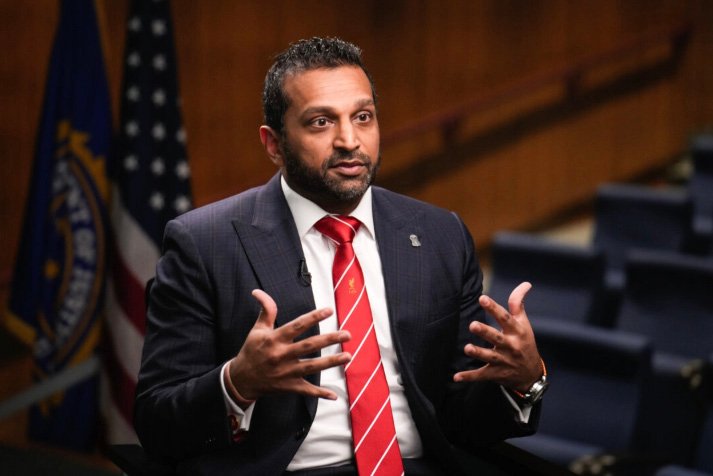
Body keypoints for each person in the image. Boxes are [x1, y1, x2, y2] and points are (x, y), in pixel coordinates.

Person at [134, 37, 546, 476]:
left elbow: (465, 419)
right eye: (320, 122)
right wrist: (237, 383)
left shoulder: (440, 234)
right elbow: (157, 423)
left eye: (363, 117)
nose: (349, 141)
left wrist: (524, 381)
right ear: (273, 144)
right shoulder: (205, 243)